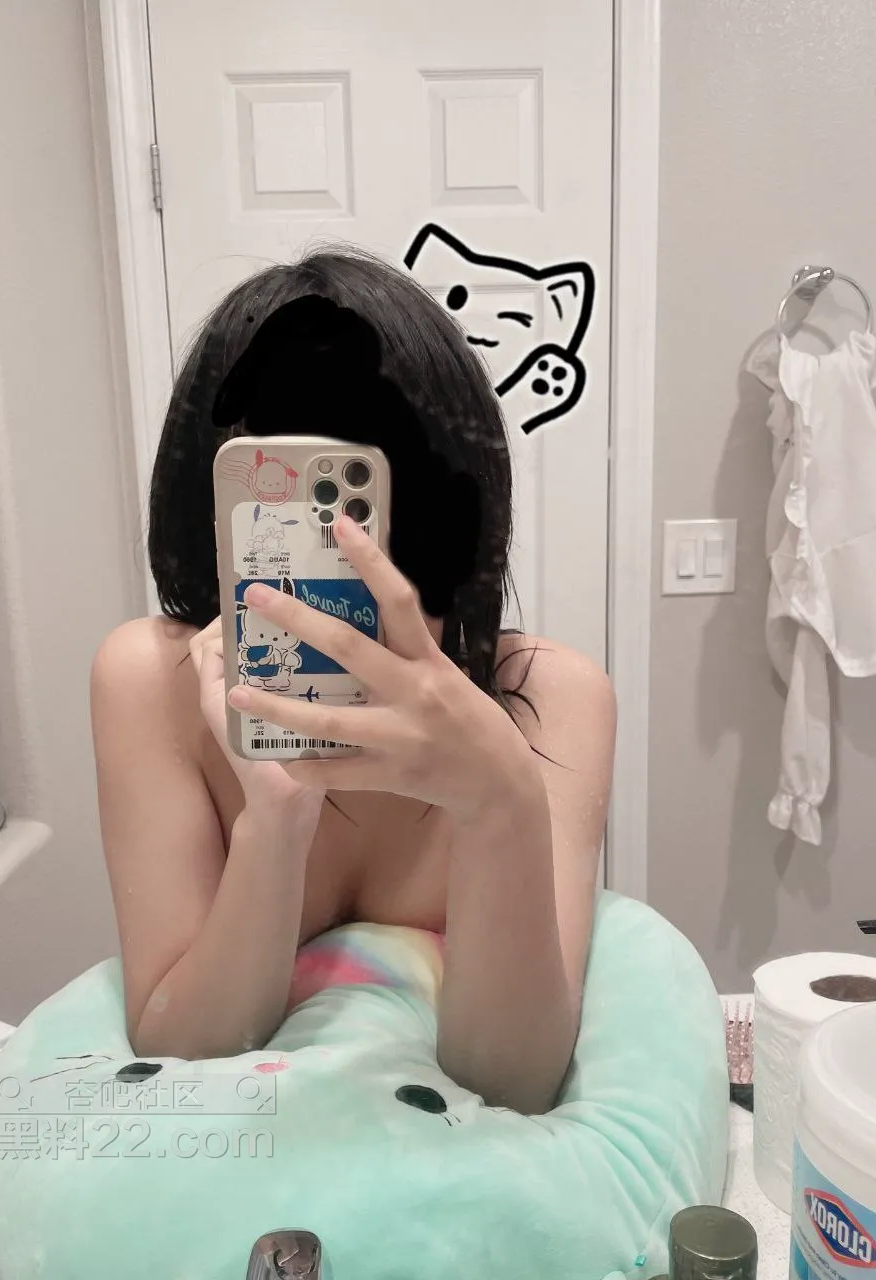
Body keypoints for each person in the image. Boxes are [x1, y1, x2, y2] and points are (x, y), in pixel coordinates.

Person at [90, 247, 616, 1116]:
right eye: (301, 510)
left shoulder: (554, 698)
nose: (355, 560)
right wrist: (275, 823)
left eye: (373, 501)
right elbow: (181, 1049)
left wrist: (502, 800)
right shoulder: (152, 680)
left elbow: (515, 1082)